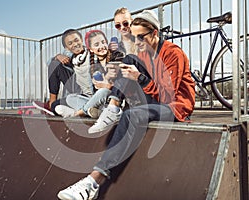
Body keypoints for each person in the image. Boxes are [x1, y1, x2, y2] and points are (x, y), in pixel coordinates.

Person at [57, 9, 195, 200]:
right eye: (135, 38)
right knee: (128, 60)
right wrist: (121, 85)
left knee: (132, 115)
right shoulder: (144, 55)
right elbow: (140, 84)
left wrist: (139, 78)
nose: (137, 43)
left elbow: (167, 95)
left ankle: (93, 182)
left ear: (155, 33)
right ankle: (113, 108)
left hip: (175, 107)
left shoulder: (173, 53)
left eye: (141, 38)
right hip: (154, 101)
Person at [55, 30, 124, 118]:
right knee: (70, 98)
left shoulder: (115, 56)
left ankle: (78, 113)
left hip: (113, 98)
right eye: (96, 45)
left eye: (103, 42)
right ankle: (101, 112)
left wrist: (108, 85)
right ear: (91, 49)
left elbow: (119, 81)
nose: (102, 46)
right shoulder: (94, 65)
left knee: (104, 91)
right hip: (97, 100)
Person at [33, 29, 93, 115]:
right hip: (76, 89)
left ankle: (75, 110)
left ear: (81, 40)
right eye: (70, 43)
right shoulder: (69, 55)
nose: (75, 44)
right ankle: (51, 103)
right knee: (54, 64)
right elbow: (49, 63)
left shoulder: (90, 53)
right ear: (66, 48)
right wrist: (57, 56)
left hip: (88, 93)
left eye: (76, 40)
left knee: (57, 106)